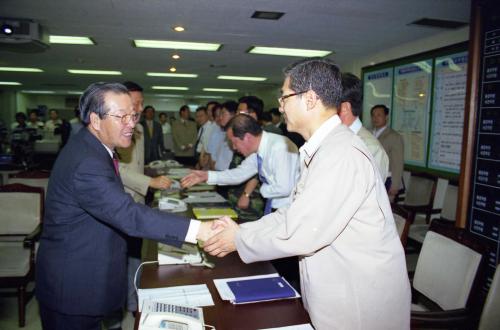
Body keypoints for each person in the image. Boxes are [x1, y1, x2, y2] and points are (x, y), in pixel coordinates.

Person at [203, 58, 411, 329]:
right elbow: (294, 213)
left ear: (310, 99)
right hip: (337, 293)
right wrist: (242, 231)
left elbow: (303, 230)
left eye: (285, 97)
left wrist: (239, 240)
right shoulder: (324, 149)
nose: (280, 106)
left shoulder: (341, 154)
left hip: (357, 303)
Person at [35, 82, 217, 330]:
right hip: (73, 285)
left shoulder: (95, 148)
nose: (131, 123)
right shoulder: (86, 161)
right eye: (122, 117)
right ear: (95, 120)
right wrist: (200, 231)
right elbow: (127, 215)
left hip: (88, 271)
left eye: (133, 115)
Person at [115, 81, 172, 321]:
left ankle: (134, 300)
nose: (139, 107)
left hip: (138, 198)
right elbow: (118, 169)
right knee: (124, 257)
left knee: (136, 254)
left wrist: (149, 175)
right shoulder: (115, 128)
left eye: (141, 103)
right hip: (122, 199)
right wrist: (150, 182)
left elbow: (135, 164)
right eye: (134, 103)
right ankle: (128, 304)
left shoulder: (135, 128)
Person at [339, 72, 389, 181]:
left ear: (344, 108)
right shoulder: (336, 138)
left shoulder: (369, 148)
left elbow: (370, 195)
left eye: (328, 104)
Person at [371, 104, 405, 202]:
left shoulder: (394, 137)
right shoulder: (368, 133)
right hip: (371, 181)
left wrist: (395, 186)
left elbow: (398, 163)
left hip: (386, 180)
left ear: (386, 117)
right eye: (373, 115)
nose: (375, 118)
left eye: (379, 115)